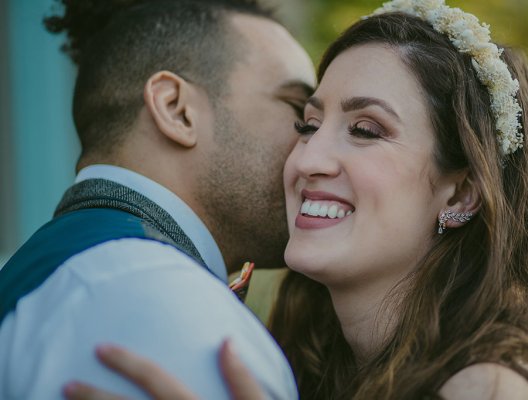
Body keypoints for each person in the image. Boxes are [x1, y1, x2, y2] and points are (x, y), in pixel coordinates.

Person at [62, 1, 528, 399]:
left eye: (365, 129)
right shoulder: (292, 365)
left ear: (460, 190)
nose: (306, 159)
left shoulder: (484, 388)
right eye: (307, 123)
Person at [0, 0, 316, 399]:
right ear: (176, 109)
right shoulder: (179, 316)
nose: (315, 146)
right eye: (298, 110)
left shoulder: (54, 275)